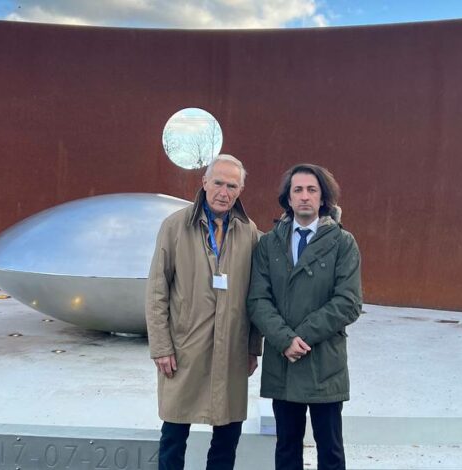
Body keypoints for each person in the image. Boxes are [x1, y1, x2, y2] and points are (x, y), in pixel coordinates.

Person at [145, 154, 263, 470]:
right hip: (184, 348)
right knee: (174, 432)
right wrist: (160, 346)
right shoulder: (174, 227)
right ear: (204, 183)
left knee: (227, 436)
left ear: (240, 191)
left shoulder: (249, 232)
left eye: (232, 186)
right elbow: (157, 290)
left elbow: (257, 295)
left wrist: (253, 347)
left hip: (232, 350)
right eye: (219, 183)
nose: (224, 192)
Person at [247, 163, 362, 470]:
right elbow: (258, 299)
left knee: (330, 450)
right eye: (297, 190)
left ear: (323, 197)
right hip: (282, 362)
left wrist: (303, 337)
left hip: (324, 363)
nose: (305, 197)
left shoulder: (342, 242)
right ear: (288, 197)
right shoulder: (269, 243)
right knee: (286, 448)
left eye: (312, 190)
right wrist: (285, 339)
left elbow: (349, 302)